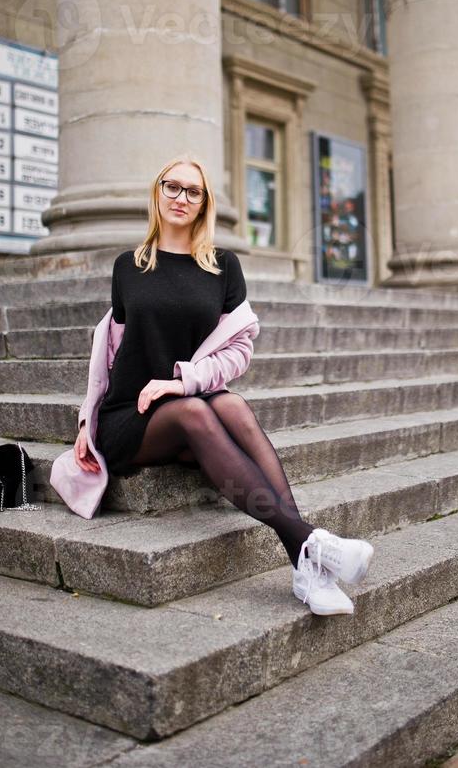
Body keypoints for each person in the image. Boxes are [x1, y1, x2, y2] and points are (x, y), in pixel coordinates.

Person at [73, 153, 374, 616]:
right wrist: (85, 421)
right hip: (129, 417)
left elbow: (239, 351)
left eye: (193, 191)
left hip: (183, 399)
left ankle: (305, 562)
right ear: (157, 193)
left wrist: (182, 381)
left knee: (230, 407)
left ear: (204, 202)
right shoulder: (128, 266)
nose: (181, 198)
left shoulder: (223, 266)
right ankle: (308, 544)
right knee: (198, 412)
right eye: (172, 187)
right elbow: (109, 352)